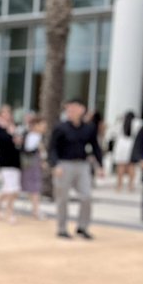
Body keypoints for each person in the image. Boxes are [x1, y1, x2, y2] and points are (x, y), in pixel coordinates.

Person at [49, 97, 103, 239]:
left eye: (73, 108)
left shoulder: (89, 128)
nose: (70, 111)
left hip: (82, 165)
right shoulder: (60, 127)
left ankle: (82, 227)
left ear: (82, 109)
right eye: (68, 109)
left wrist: (100, 165)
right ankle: (62, 228)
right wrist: (55, 164)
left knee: (86, 196)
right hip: (64, 164)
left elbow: (95, 146)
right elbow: (52, 148)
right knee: (63, 199)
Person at [0, 106, 21, 223]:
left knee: (12, 189)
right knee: (10, 189)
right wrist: (11, 135)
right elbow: (3, 143)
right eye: (4, 114)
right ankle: (9, 212)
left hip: (15, 161)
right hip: (5, 162)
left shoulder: (14, 127)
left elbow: (18, 143)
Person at [19, 114, 46, 219]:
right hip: (31, 165)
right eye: (42, 125)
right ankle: (36, 210)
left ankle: (35, 209)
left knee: (33, 188)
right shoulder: (34, 136)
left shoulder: (35, 136)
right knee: (34, 188)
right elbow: (29, 149)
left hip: (32, 165)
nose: (44, 127)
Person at [111, 111, 139, 191]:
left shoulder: (120, 123)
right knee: (131, 167)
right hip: (132, 145)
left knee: (120, 167)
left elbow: (113, 133)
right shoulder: (137, 123)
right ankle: (131, 186)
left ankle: (119, 186)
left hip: (121, 146)